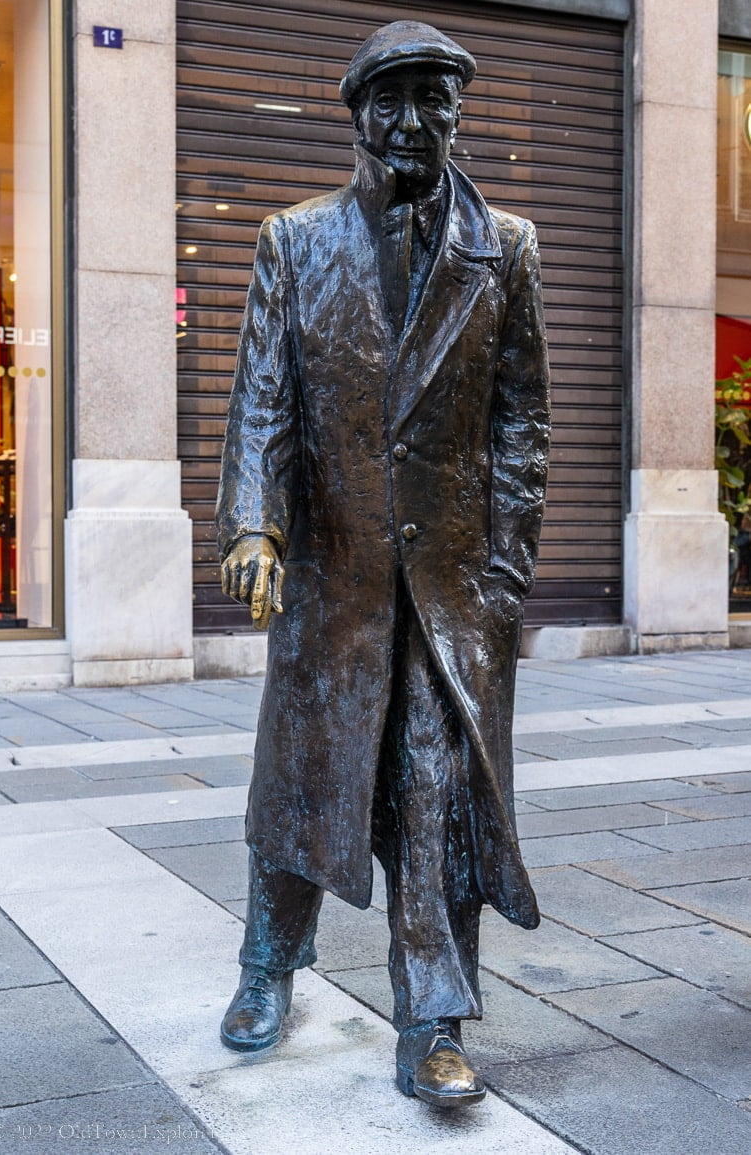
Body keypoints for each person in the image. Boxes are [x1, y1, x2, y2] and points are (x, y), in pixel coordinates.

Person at [216, 20, 550, 1109]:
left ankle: (434, 1022)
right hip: (333, 572)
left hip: (452, 588)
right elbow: (263, 399)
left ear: (458, 113)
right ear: (357, 113)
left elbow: (521, 424)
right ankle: (267, 964)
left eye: (433, 100)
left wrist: (505, 571)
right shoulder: (294, 240)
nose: (412, 122)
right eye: (391, 100)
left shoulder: (506, 247)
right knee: (304, 777)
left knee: (433, 793)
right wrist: (253, 527)